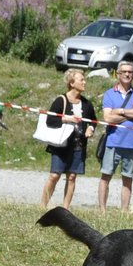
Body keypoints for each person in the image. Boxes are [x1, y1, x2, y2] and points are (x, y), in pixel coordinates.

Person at [39, 69, 94, 208]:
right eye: (81, 79)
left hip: (78, 145)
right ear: (71, 82)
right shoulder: (60, 100)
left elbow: (93, 120)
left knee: (72, 177)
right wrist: (66, 119)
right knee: (54, 176)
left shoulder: (87, 104)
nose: (84, 82)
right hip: (61, 145)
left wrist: (90, 128)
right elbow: (50, 121)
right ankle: (42, 206)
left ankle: (65, 209)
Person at [98, 61, 133, 211]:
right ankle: (102, 210)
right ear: (118, 74)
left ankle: (124, 211)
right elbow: (108, 118)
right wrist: (131, 113)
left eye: (130, 72)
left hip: (132, 143)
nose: (127, 74)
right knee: (106, 176)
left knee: (128, 179)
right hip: (113, 141)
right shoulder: (109, 94)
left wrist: (119, 111)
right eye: (124, 72)